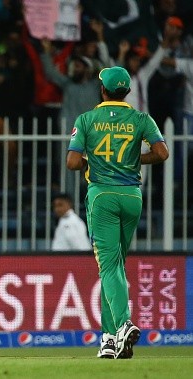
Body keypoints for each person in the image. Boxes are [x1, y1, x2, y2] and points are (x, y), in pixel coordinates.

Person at [67, 66, 169, 359]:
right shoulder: (140, 118)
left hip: (103, 197)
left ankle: (123, 325)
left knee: (109, 267)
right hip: (132, 195)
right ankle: (109, 339)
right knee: (114, 267)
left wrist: (90, 163)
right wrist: (136, 160)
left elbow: (72, 162)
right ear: (126, 92)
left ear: (103, 90)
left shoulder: (87, 119)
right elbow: (162, 153)